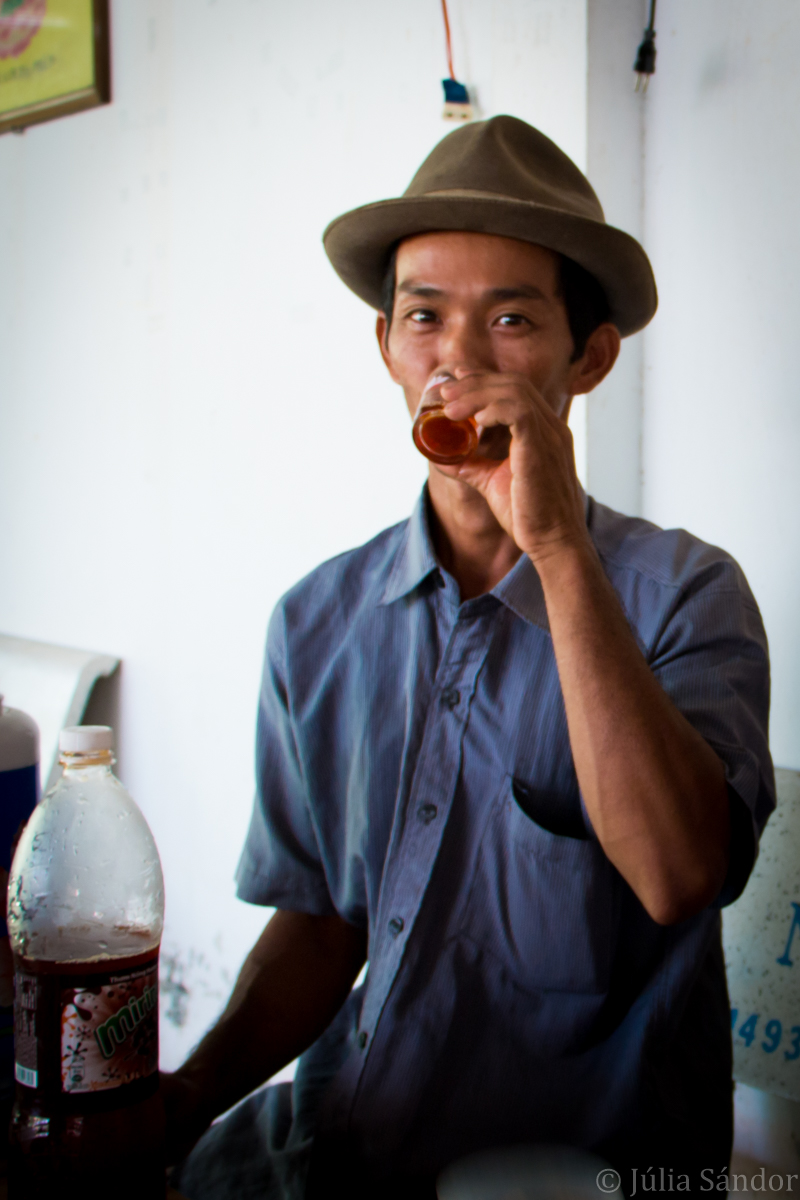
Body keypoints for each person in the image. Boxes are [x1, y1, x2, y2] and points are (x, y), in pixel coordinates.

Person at [166, 116, 774, 1199]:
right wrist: (171, 1109)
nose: (457, 362)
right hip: (337, 1141)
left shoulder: (685, 593)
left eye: (508, 319)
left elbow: (680, 875)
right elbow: (319, 923)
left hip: (579, 1174)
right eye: (422, 319)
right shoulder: (317, 619)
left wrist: (553, 547)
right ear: (385, 349)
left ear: (586, 357)